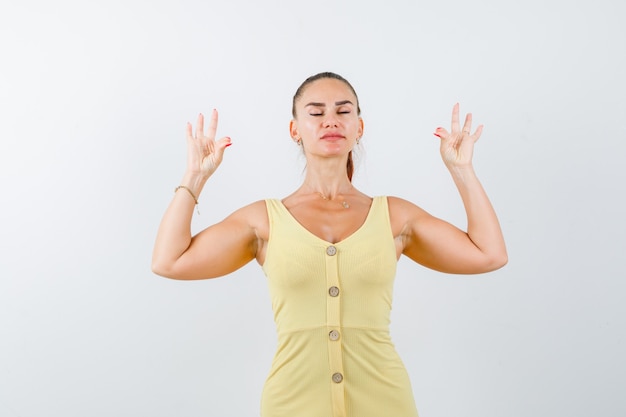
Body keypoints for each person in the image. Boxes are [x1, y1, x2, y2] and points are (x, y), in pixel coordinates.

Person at [152, 71, 507, 417]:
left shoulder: (394, 216)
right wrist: (195, 176)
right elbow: (169, 261)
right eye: (316, 113)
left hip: (385, 403)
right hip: (292, 404)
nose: (330, 121)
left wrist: (462, 170)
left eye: (343, 111)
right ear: (295, 130)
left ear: (359, 127)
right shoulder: (264, 221)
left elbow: (488, 254)